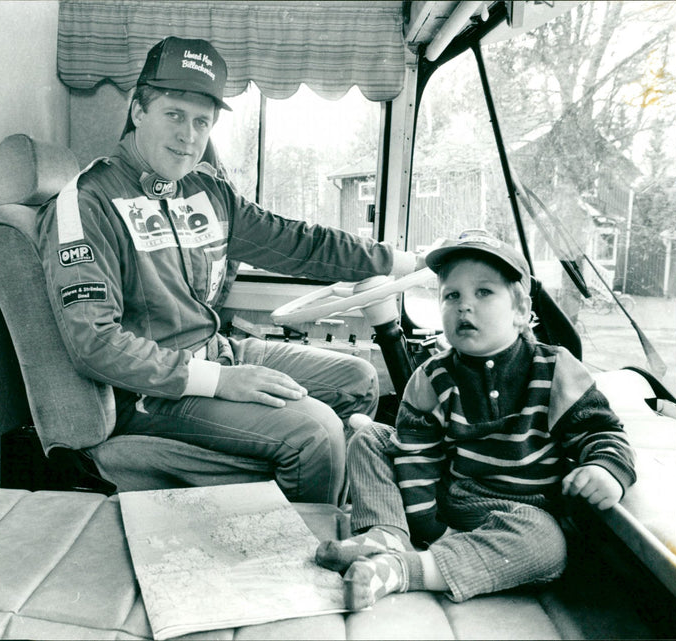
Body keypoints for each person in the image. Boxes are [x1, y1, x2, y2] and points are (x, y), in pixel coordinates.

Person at [36, 36, 421, 505]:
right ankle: (296, 549)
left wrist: (405, 261)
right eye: (174, 115)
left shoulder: (204, 190)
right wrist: (220, 381)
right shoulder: (88, 203)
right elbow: (95, 343)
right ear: (139, 110)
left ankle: (315, 496)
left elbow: (295, 242)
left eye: (202, 122)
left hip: (220, 351)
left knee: (359, 379)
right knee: (316, 434)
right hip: (153, 389)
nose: (188, 135)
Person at [315, 229, 636, 607]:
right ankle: (386, 534)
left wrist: (606, 469)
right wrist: (432, 528)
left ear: (521, 312)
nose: (464, 306)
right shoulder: (433, 377)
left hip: (521, 514)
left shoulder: (555, 370)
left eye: (483, 293)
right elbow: (416, 457)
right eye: (452, 296)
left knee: (549, 542)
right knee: (371, 439)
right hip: (447, 497)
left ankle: (402, 570)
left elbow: (602, 431)